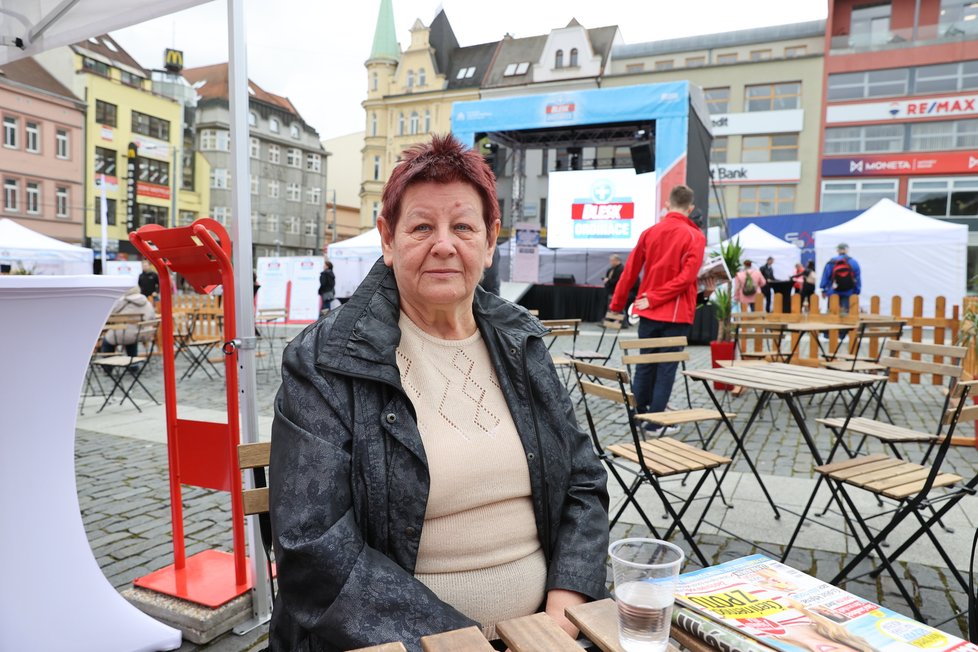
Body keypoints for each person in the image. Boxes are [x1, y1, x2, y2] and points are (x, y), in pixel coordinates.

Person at [269, 134, 609, 652]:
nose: (444, 245)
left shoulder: (521, 343)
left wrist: (567, 599)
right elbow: (312, 548)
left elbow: (583, 482)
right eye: (422, 226)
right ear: (388, 238)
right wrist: (458, 643)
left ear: (490, 240)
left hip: (544, 636)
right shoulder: (327, 359)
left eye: (464, 227)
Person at [609, 184, 706, 434]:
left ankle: (638, 416)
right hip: (674, 314)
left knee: (645, 365)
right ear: (690, 208)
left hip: (649, 313)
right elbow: (686, 278)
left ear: (667, 204)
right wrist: (654, 297)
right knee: (665, 369)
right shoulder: (695, 236)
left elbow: (629, 273)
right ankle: (654, 423)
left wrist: (617, 305)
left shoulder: (649, 232)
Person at [100, 287, 157, 357]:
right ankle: (133, 364)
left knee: (107, 341)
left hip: (124, 333)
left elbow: (111, 313)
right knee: (131, 336)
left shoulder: (123, 301)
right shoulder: (147, 302)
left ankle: (107, 365)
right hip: (142, 333)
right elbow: (153, 317)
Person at [820, 243, 861, 315]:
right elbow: (857, 278)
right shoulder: (853, 262)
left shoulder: (831, 262)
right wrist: (857, 291)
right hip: (848, 292)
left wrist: (823, 290)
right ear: (847, 250)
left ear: (837, 250)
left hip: (833, 291)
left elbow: (825, 276)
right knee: (845, 315)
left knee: (832, 314)